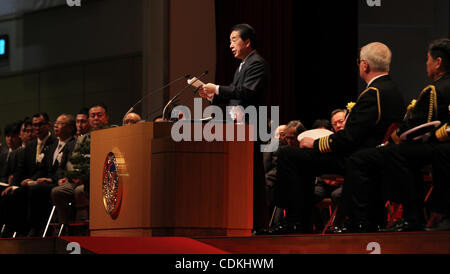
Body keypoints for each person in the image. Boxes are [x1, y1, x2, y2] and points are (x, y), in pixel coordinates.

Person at [267, 42, 405, 234]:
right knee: (298, 158)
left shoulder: (373, 93)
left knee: (289, 155)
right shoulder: (394, 91)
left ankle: (293, 223)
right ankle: (300, 222)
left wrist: (315, 143)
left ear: (364, 65)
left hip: (357, 158)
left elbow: (349, 139)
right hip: (372, 156)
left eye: (358, 63)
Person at [340, 38, 450, 233]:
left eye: (428, 60)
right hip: (438, 144)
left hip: (436, 144)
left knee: (397, 152)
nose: (426, 64)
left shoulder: (435, 89)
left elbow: (420, 126)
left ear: (438, 62)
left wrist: (390, 143)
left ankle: (409, 218)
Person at [199, 23, 270, 231]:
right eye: (229, 41)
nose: (230, 45)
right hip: (238, 128)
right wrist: (213, 96)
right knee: (241, 176)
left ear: (247, 42)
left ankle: (257, 225)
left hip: (250, 127)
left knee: (252, 176)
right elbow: (237, 98)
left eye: (233, 40)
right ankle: (243, 221)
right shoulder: (242, 65)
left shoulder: (257, 63)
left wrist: (218, 88)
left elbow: (247, 92)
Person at [51, 103, 110, 233]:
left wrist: (84, 176)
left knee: (80, 191)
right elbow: (72, 161)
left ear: (106, 118)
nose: (96, 118)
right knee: (58, 191)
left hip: (98, 179)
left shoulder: (111, 135)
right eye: (92, 116)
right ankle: (65, 227)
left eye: (99, 115)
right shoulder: (83, 139)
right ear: (89, 119)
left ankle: (89, 228)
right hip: (77, 178)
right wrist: (74, 175)